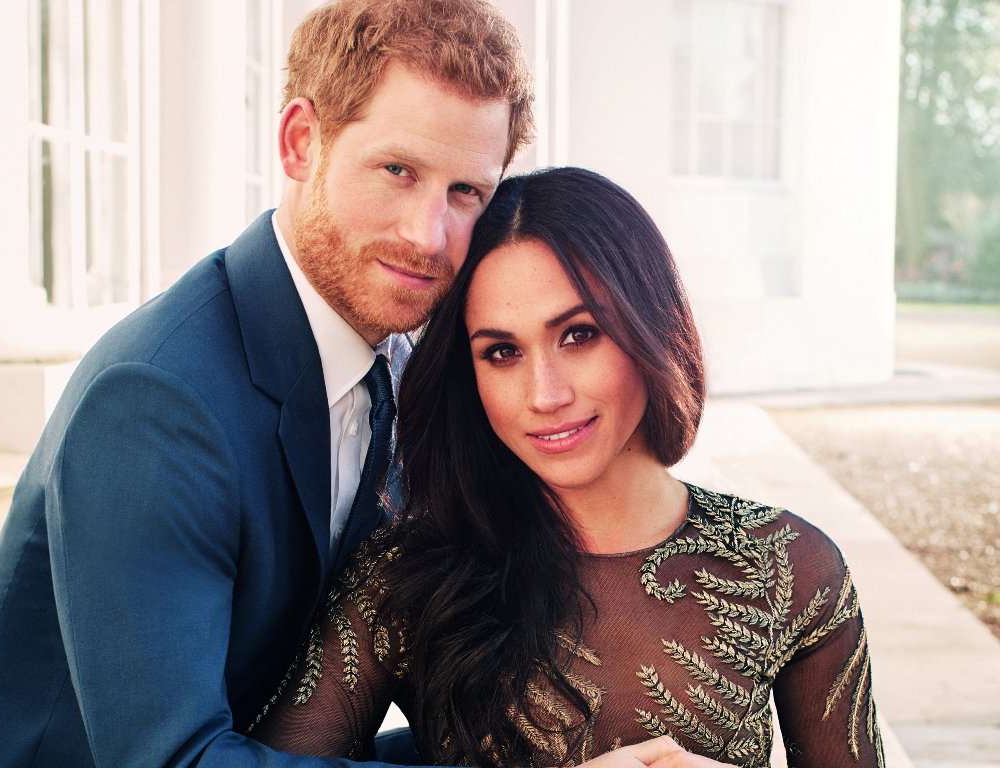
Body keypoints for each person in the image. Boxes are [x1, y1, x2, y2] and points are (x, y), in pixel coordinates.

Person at [0, 1, 532, 765]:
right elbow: (176, 760)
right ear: (301, 141)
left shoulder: (398, 368)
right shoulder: (155, 401)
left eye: (466, 192)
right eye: (397, 170)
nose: (427, 234)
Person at [250, 167, 887, 768]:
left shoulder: (788, 568)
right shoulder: (409, 578)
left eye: (578, 335)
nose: (545, 394)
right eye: (501, 352)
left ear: (650, 328)